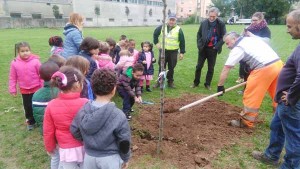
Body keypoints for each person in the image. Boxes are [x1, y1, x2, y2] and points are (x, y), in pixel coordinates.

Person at [252, 9, 300, 168]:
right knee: (277, 127)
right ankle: (271, 155)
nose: (287, 30)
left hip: (291, 103)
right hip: (284, 101)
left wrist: (292, 96)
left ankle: (291, 166)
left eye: (290, 26)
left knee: (293, 137)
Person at [217, 32, 283, 128]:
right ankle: (280, 119)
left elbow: (226, 68)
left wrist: (220, 86)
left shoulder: (238, 48)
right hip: (278, 64)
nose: (227, 46)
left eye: (228, 43)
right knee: (277, 94)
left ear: (234, 39)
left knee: (251, 94)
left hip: (264, 69)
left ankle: (246, 122)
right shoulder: (250, 39)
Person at [71, 69, 131, 169]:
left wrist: (88, 140)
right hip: (110, 159)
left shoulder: (83, 110)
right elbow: (124, 140)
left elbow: (74, 129)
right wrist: (125, 158)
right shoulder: (118, 115)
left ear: (93, 88)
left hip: (89, 158)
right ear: (113, 90)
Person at [43, 66, 88, 168]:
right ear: (77, 85)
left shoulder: (51, 105)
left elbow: (48, 131)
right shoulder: (86, 103)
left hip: (66, 149)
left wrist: (50, 147)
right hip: (85, 145)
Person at [32, 61, 60, 169]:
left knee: (54, 156)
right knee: (62, 156)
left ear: (40, 76)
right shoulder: (60, 92)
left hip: (45, 131)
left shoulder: (36, 94)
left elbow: (36, 113)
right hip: (59, 131)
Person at [9, 42, 43, 130]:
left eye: (27, 50)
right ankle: (30, 122)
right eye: (22, 51)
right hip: (25, 90)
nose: (25, 53)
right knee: (27, 107)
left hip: (37, 89)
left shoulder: (36, 61)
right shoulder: (14, 63)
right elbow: (12, 77)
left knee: (37, 106)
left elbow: (41, 75)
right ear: (18, 52)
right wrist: (12, 89)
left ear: (30, 51)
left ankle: (39, 120)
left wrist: (42, 86)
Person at [191, 7, 226, 90]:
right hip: (203, 48)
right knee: (199, 66)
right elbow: (199, 34)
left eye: (214, 16)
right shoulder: (204, 23)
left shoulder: (220, 24)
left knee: (211, 68)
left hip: (213, 49)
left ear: (217, 16)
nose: (211, 18)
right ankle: (196, 82)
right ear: (208, 15)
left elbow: (224, 37)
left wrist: (216, 47)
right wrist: (199, 45)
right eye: (210, 16)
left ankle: (207, 84)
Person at [236, 12, 271, 84]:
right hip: (248, 53)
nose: (253, 22)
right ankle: (245, 88)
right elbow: (241, 38)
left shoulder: (265, 29)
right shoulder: (249, 28)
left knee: (255, 72)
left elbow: (266, 41)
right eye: (252, 20)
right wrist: (242, 34)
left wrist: (252, 35)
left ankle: (254, 86)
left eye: (255, 20)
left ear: (261, 20)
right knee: (246, 70)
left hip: (259, 54)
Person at [153, 13, 185, 88]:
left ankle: (170, 82)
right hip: (163, 51)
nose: (171, 21)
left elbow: (182, 41)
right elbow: (155, 34)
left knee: (171, 67)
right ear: (168, 20)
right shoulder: (161, 27)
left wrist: (182, 52)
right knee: (161, 66)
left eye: (173, 20)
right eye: (170, 20)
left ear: (175, 21)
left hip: (173, 52)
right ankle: (159, 81)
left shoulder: (178, 29)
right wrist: (156, 43)